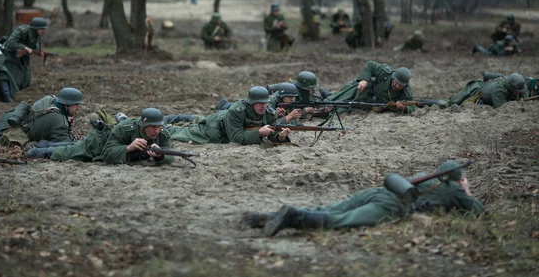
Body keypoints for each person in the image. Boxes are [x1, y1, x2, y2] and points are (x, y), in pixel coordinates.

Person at [248, 160, 484, 237]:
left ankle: (267, 217)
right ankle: (294, 217)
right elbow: (481, 214)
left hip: (377, 192)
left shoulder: (424, 176)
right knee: (340, 220)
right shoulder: (454, 190)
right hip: (391, 205)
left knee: (331, 207)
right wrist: (467, 192)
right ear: (457, 179)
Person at [167, 86, 291, 145]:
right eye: (259, 103)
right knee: (183, 132)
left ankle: (193, 118)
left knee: (199, 119)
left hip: (227, 120)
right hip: (216, 129)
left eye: (265, 103)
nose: (263, 106)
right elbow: (236, 137)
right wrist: (259, 133)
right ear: (251, 102)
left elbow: (272, 132)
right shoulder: (236, 111)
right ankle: (165, 127)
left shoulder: (268, 112)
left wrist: (279, 137)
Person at [0, 87, 84, 146]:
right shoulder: (58, 119)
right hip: (14, 134)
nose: (78, 108)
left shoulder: (50, 99)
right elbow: (65, 143)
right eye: (76, 105)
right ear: (66, 104)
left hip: (9, 120)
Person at [25, 111, 127, 160]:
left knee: (72, 145)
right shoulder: (126, 127)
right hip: (96, 144)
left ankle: (41, 146)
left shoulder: (126, 127)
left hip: (96, 139)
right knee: (68, 150)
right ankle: (36, 151)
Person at [325, 61, 416, 114]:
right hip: (361, 90)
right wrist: (365, 80)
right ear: (393, 77)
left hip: (366, 104)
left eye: (400, 85)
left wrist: (403, 107)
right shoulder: (385, 73)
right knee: (330, 100)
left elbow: (412, 106)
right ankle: (324, 94)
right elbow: (370, 65)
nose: (396, 86)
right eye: (396, 82)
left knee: (337, 110)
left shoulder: (406, 91)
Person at [102, 108, 174, 165]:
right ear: (142, 126)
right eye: (153, 127)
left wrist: (160, 155)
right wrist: (128, 148)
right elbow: (107, 153)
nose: (157, 131)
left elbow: (170, 155)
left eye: (159, 126)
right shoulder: (123, 129)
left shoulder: (162, 133)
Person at [2, 17, 48, 91]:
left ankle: (14, 91)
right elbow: (9, 43)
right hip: (11, 55)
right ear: (35, 28)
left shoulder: (37, 35)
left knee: (26, 81)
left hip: (24, 56)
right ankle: (6, 93)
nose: (43, 31)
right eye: (41, 29)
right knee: (16, 79)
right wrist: (24, 47)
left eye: (44, 29)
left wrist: (39, 52)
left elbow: (35, 47)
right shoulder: (21, 31)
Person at [439, 73, 528, 109]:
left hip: (487, 84)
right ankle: (425, 102)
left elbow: (524, 90)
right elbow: (503, 108)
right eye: (517, 91)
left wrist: (524, 98)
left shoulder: (515, 83)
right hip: (475, 90)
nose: (519, 92)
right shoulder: (499, 91)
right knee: (450, 103)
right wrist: (518, 104)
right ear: (509, 87)